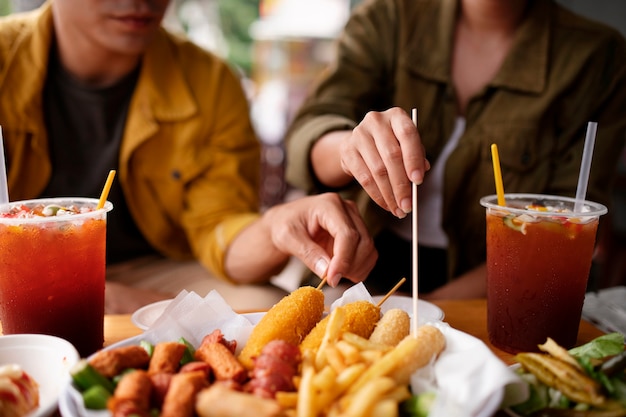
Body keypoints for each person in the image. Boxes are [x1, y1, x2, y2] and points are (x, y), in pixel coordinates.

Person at [0, 0, 377, 313]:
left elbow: (220, 229)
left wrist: (277, 226)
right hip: (15, 265)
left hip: (153, 268)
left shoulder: (209, 81)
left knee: (268, 306)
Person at [284, 0, 626, 299]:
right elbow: (308, 133)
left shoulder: (597, 57)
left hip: (499, 290)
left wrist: (433, 308)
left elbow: (566, 232)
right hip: (354, 269)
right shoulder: (388, 17)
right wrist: (348, 146)